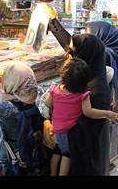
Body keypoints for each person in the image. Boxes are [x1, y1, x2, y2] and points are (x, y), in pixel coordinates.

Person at [44, 14, 112, 175]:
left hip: (86, 162)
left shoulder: (97, 90)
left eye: (74, 52)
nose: (69, 55)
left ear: (85, 54)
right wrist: (49, 123)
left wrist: (59, 131)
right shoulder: (81, 78)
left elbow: (87, 131)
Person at [45, 57, 118, 176]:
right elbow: (89, 112)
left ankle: (52, 173)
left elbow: (47, 104)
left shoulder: (55, 89)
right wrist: (107, 113)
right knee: (67, 155)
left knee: (57, 152)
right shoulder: (83, 95)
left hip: (56, 129)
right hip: (68, 132)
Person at [85, 20, 118, 111]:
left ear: (100, 36)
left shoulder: (105, 55)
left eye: (89, 35)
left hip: (99, 106)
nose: (86, 38)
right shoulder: (115, 53)